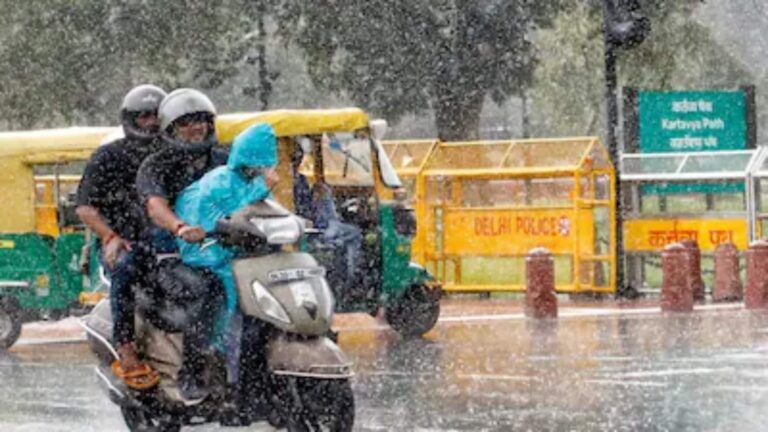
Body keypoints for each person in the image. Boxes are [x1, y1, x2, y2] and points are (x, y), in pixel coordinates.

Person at [136, 88, 228, 401]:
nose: (195, 128)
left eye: (200, 121)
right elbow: (155, 206)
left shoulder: (224, 159)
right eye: (185, 123)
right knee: (207, 287)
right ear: (170, 129)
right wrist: (180, 226)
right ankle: (193, 368)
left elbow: (252, 189)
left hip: (225, 247)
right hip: (172, 254)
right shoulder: (156, 165)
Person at [76, 84, 167, 388]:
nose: (151, 122)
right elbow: (85, 209)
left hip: (172, 240)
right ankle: (126, 346)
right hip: (127, 240)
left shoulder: (175, 154)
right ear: (130, 119)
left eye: (156, 115)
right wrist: (110, 235)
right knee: (126, 270)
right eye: (143, 117)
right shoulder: (108, 156)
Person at [291, 142, 362, 284]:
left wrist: (315, 195)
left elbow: (303, 202)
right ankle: (351, 277)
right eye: (298, 158)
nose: (299, 161)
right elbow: (301, 207)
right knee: (354, 233)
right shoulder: (293, 181)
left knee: (322, 189)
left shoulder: (297, 179)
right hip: (313, 226)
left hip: (310, 220)